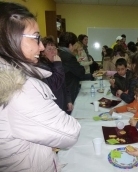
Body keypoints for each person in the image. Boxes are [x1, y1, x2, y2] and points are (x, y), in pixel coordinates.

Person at [0, 2, 81, 171]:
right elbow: (70, 133)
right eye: (36, 37)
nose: (42, 47)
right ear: (11, 38)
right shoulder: (19, 88)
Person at [39, 36, 73, 113]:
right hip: (52, 109)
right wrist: (58, 65)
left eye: (54, 48)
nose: (53, 52)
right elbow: (54, 85)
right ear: (43, 53)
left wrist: (68, 100)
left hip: (62, 104)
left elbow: (63, 84)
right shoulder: (42, 67)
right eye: (49, 49)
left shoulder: (56, 64)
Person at [58, 32, 85, 103]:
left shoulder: (59, 53)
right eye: (75, 45)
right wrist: (78, 63)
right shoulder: (68, 56)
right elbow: (81, 72)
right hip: (69, 89)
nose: (75, 48)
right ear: (70, 45)